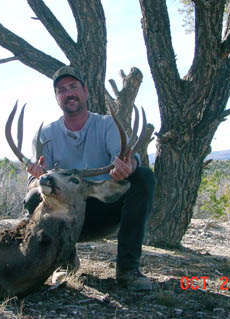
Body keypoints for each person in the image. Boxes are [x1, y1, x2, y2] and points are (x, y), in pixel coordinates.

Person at [24, 65, 156, 291]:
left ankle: (128, 269)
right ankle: (65, 262)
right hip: (66, 216)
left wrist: (128, 167)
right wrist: (38, 177)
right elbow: (35, 182)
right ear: (57, 98)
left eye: (73, 87)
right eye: (62, 90)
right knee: (33, 197)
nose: (68, 93)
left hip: (103, 208)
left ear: (85, 91)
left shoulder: (107, 125)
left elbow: (130, 159)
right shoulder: (46, 134)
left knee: (143, 176)